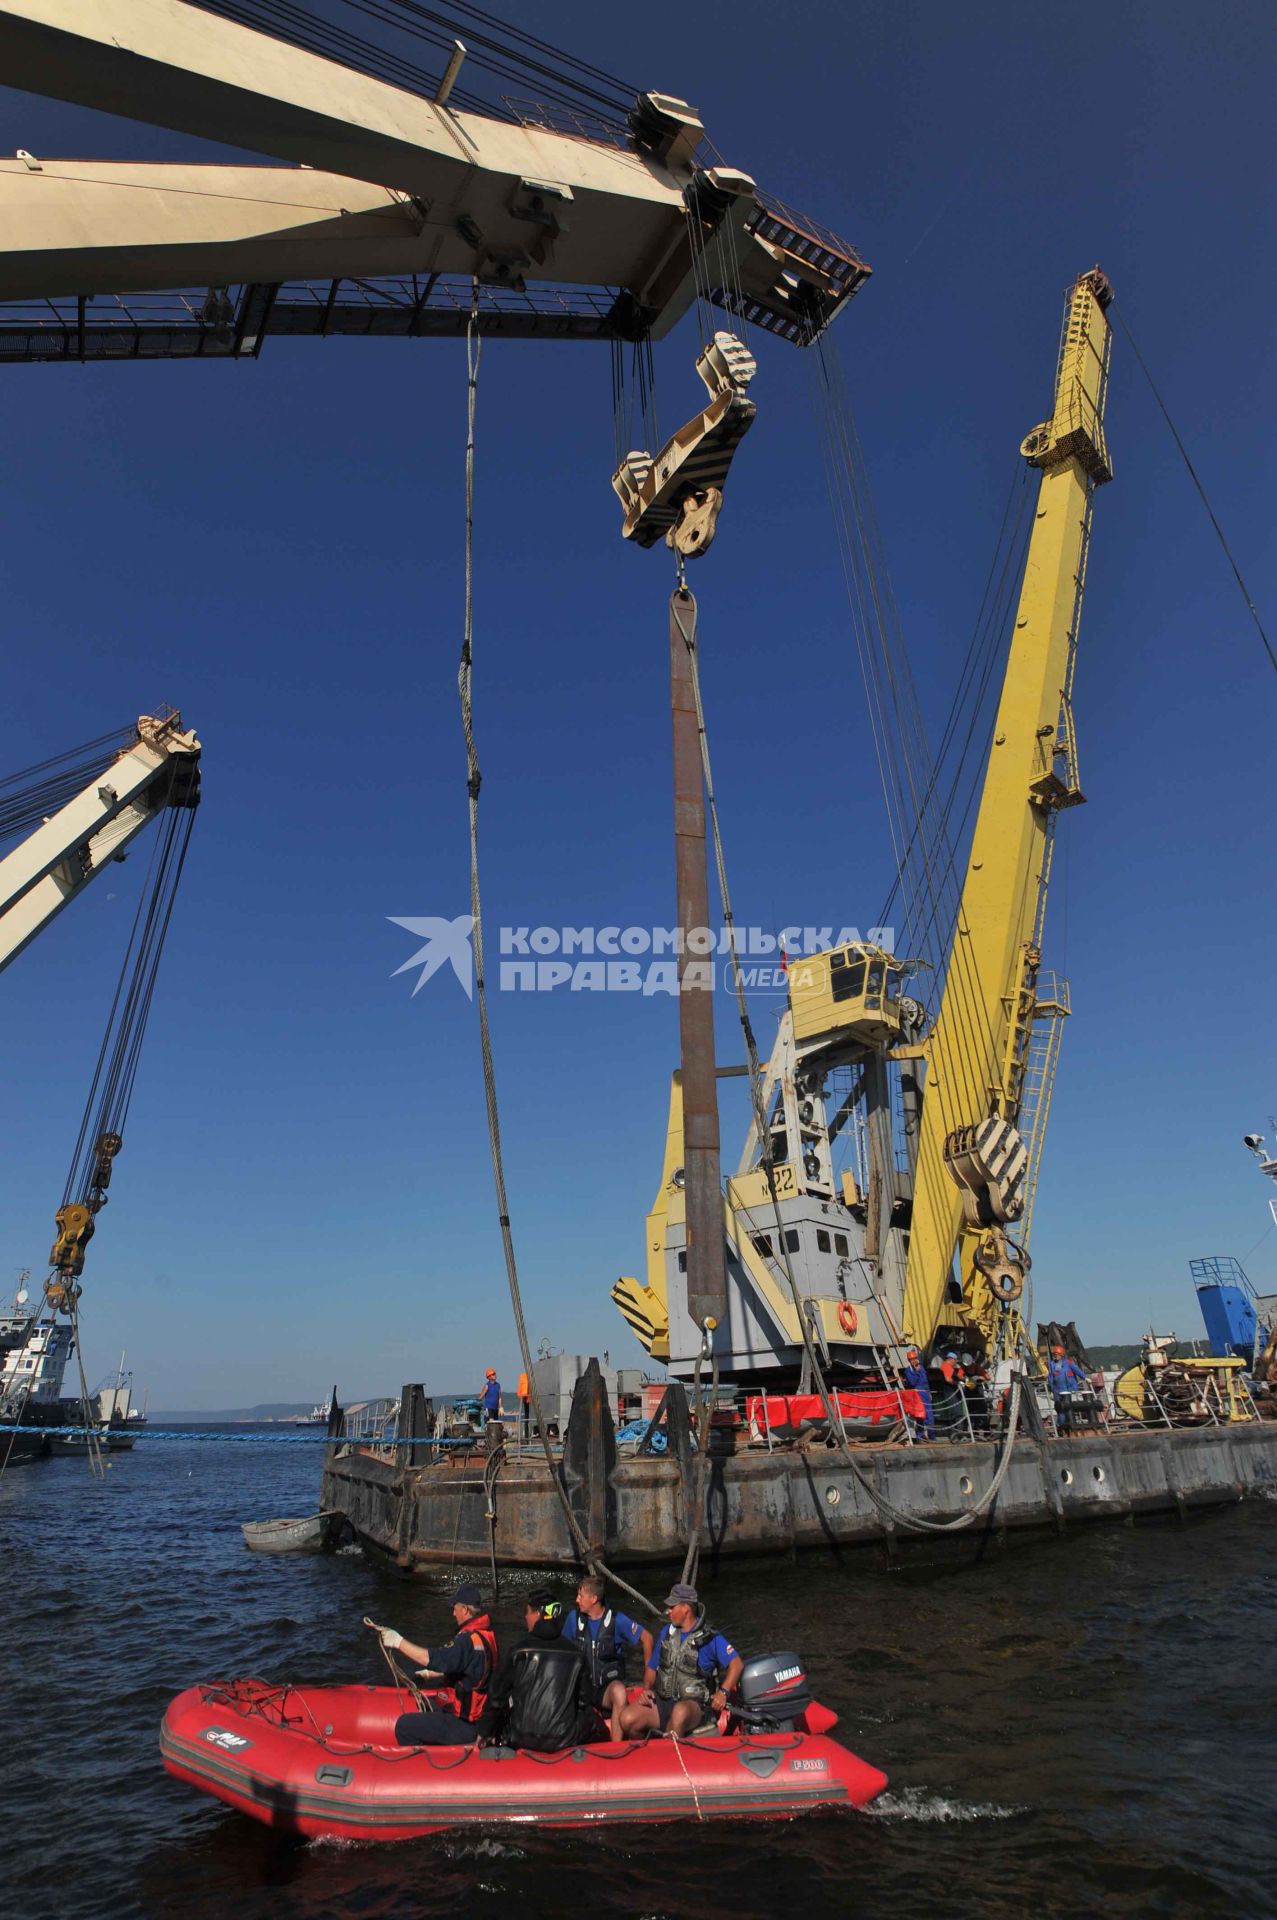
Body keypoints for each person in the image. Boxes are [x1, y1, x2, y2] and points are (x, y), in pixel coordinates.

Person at [617, 1582, 743, 1741]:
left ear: (685, 1609)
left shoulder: (711, 1638)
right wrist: (646, 1689)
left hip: (695, 1707)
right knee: (627, 1719)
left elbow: (737, 1663)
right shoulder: (666, 1633)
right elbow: (651, 1669)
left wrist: (723, 1692)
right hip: (664, 1702)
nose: (668, 1611)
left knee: (680, 1711)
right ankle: (645, 1756)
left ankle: (668, 1755)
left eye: (672, 1607)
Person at [376, 1583, 498, 1747]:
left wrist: (398, 1642)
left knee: (404, 1726)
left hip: (466, 1724)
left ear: (465, 1610)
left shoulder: (466, 1641)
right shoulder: (485, 1636)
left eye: (455, 1608)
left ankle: (422, 1768)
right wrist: (426, 1674)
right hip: (480, 1719)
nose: (453, 1612)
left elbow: (434, 1658)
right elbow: (465, 1666)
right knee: (426, 1706)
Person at [474, 1591, 596, 1752]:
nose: (525, 1617)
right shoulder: (577, 1654)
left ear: (537, 1614)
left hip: (522, 1739)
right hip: (564, 1740)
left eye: (527, 1612)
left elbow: (497, 1698)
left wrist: (483, 1732)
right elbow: (585, 1702)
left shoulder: (517, 1651)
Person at [561, 1574, 653, 1741]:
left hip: (605, 1690)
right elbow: (561, 1652)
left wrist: (648, 1680)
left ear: (594, 1598)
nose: (576, 1600)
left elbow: (647, 1638)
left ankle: (615, 1747)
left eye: (581, 1596)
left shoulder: (617, 1621)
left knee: (619, 1690)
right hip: (581, 1688)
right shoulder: (573, 1620)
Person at [1048, 1343, 1088, 1434]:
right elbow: (1050, 1377)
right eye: (1054, 1355)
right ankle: (1062, 1428)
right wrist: (1051, 1389)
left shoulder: (1069, 1363)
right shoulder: (1052, 1364)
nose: (1055, 1356)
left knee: (1071, 1408)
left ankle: (1073, 1426)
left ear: (1062, 1355)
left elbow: (1077, 1370)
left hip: (1070, 1390)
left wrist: (1085, 1377)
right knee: (1060, 1409)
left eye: (1057, 1354)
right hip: (1057, 1391)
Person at [900, 1346, 935, 1439]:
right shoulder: (908, 1371)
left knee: (930, 1417)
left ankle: (932, 1437)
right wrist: (917, 1372)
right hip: (918, 1395)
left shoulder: (922, 1367)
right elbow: (912, 1382)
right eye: (911, 1359)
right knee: (920, 1416)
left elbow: (926, 1381)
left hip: (926, 1394)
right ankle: (920, 1436)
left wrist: (929, 1392)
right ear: (909, 1360)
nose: (914, 1361)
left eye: (915, 1358)